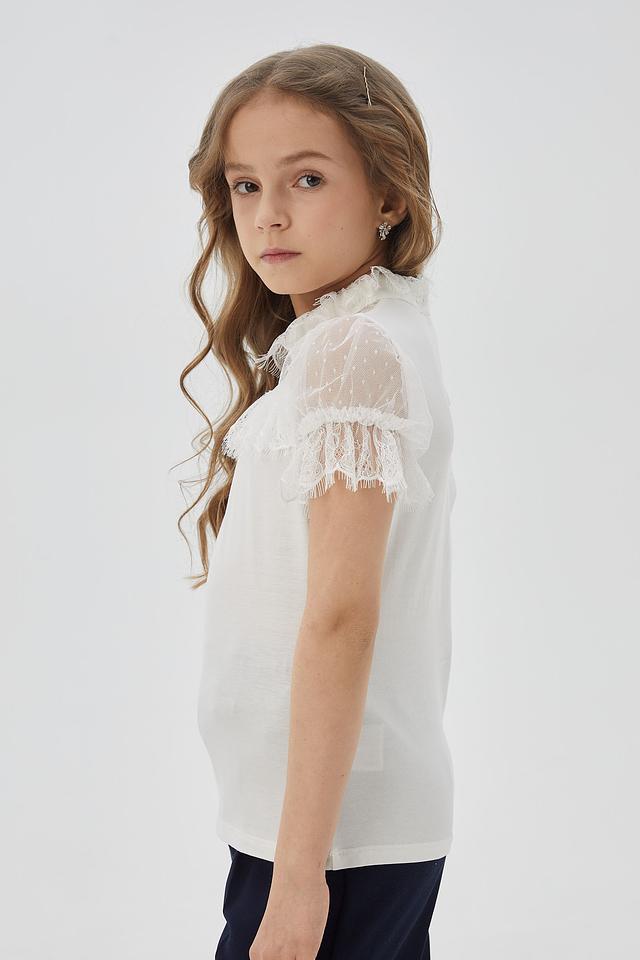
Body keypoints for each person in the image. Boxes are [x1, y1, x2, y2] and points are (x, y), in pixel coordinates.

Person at [181, 42, 456, 960]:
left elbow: (342, 615)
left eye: (306, 178)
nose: (268, 214)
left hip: (331, 845)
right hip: (328, 827)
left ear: (389, 195)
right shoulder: (357, 334)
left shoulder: (353, 351)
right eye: (245, 185)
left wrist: (299, 880)